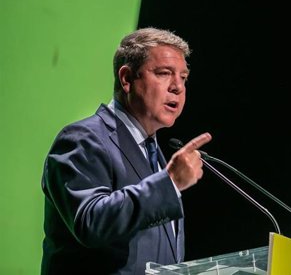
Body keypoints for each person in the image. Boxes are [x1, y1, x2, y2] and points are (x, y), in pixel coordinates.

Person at [41, 27, 212, 274]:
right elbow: (91, 221)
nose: (178, 87)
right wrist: (170, 182)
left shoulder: (154, 154)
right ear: (127, 79)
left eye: (183, 77)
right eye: (164, 73)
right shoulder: (82, 139)